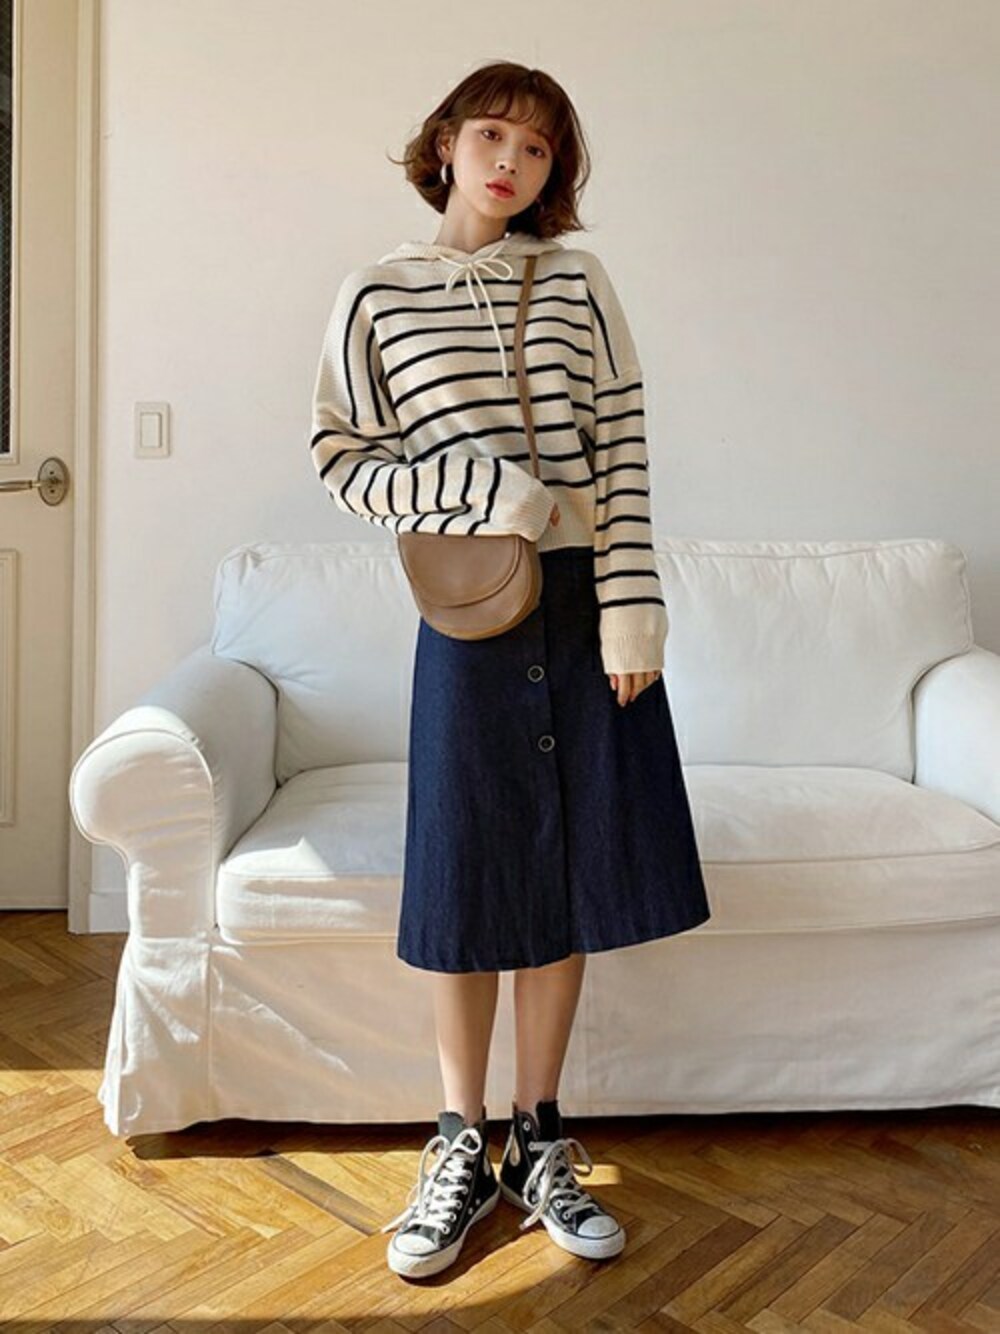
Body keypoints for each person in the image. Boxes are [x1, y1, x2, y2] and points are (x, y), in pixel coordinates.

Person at [309, 60, 711, 1281]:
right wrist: (487, 490)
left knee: (565, 869)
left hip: (584, 603)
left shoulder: (580, 283)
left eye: (537, 150)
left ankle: (538, 1136)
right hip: (470, 607)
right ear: (445, 141)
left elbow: (623, 448)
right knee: (469, 867)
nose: (510, 163)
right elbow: (343, 458)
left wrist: (633, 614)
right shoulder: (378, 293)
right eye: (492, 135)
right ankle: (456, 1139)